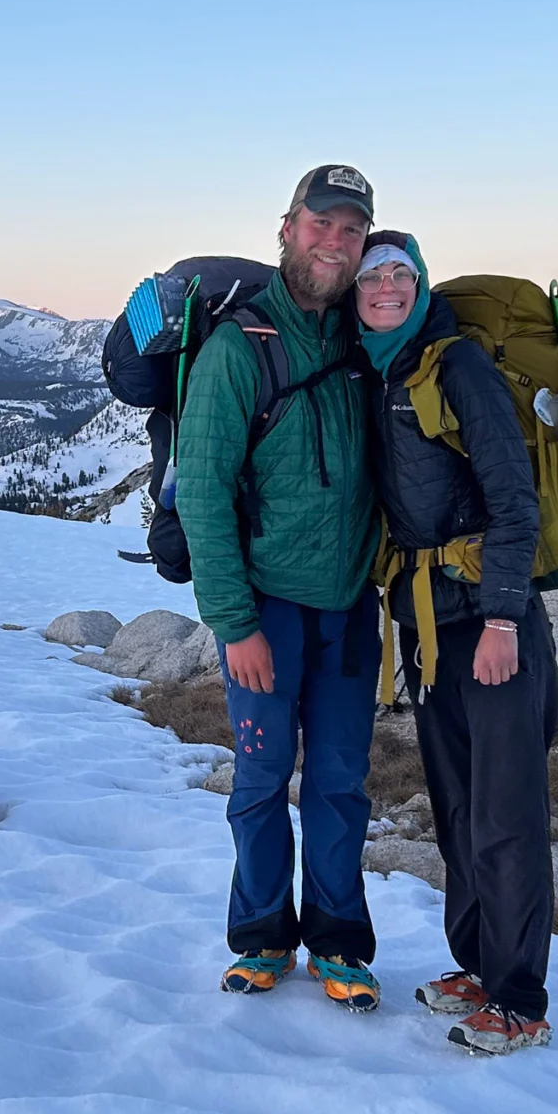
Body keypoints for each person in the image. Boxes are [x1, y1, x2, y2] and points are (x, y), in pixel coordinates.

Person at [174, 165, 383, 1011]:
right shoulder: (239, 348)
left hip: (348, 607)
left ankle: (338, 942)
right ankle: (261, 934)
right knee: (262, 776)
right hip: (267, 610)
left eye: (351, 231)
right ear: (287, 229)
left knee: (339, 780)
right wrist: (234, 621)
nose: (334, 242)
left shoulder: (368, 342)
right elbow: (203, 490)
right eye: (319, 223)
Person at [355, 231, 558, 1053]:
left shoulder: (457, 366)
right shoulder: (380, 370)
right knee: (459, 808)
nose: (387, 286)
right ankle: (477, 965)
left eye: (401, 273)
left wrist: (506, 617)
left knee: (507, 811)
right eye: (374, 276)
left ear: (421, 283)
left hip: (489, 619)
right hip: (427, 624)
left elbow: (515, 497)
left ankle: (520, 1000)